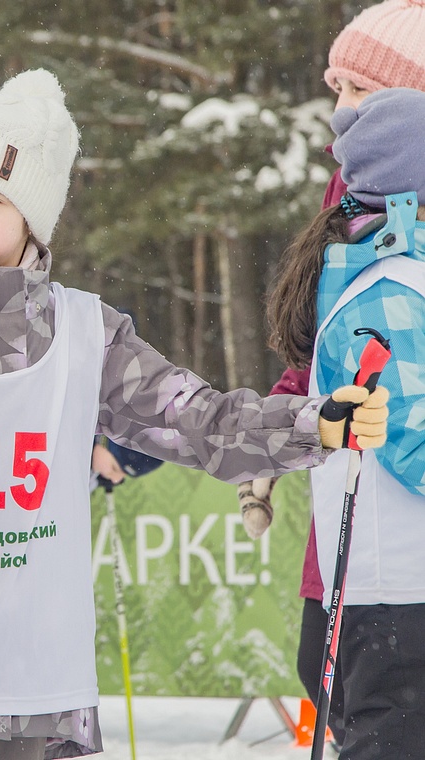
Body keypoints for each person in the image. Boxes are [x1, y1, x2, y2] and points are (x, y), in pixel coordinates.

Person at [0, 69, 389, 760]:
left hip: (36, 691)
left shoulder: (87, 330)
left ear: (32, 212)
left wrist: (313, 424)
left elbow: (199, 423)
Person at [237, 0, 425, 745]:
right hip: (353, 524)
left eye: (355, 90)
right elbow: (324, 353)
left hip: (399, 559)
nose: (337, 113)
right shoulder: (351, 205)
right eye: (334, 87)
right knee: (330, 671)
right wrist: (278, 437)